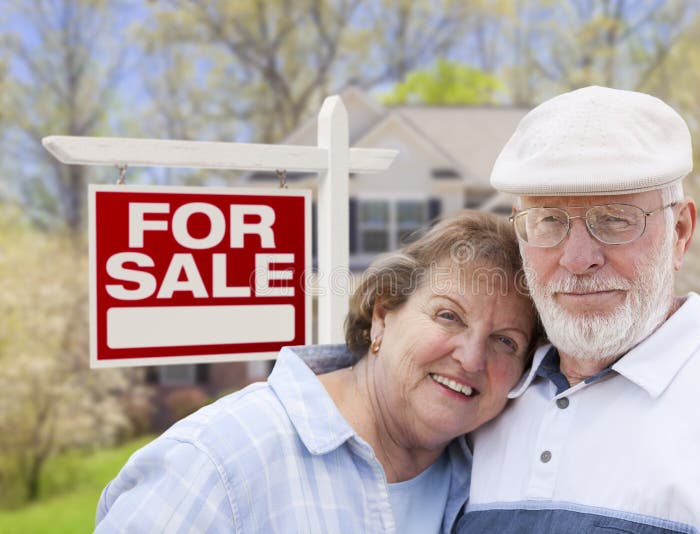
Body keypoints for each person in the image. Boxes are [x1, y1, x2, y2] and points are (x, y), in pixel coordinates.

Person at [455, 86, 700, 533]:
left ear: (680, 231)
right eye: (548, 221)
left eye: (615, 219)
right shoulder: (480, 403)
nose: (578, 259)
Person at [95, 211, 542, 533]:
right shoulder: (218, 461)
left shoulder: (485, 480)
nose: (471, 358)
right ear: (382, 315)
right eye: (449, 316)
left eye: (506, 341)